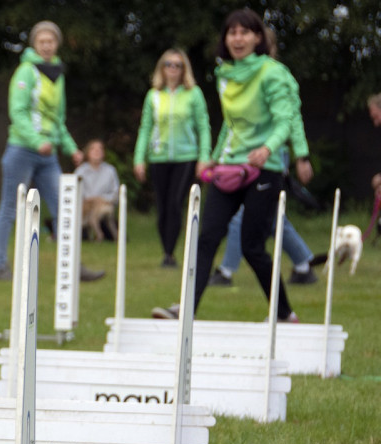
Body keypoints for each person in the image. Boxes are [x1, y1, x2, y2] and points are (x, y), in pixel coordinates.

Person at [153, 8, 299, 323]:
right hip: (230, 168)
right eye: (232, 32)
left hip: (265, 168)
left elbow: (285, 120)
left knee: (251, 246)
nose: (237, 38)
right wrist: (213, 156)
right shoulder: (224, 75)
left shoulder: (272, 72)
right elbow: (229, 125)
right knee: (206, 238)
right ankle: (185, 309)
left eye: (245, 32)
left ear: (258, 37)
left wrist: (267, 148)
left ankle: (284, 313)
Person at [0, 21, 104, 283]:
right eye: (42, 41)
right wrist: (35, 139)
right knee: (10, 208)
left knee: (64, 208)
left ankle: (74, 266)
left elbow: (57, 118)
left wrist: (73, 149)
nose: (47, 45)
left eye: (51, 41)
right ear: (34, 44)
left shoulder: (57, 74)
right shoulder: (25, 72)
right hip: (21, 150)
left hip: (48, 155)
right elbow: (17, 112)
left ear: (57, 44)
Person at [209, 30, 318, 287]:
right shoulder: (240, 78)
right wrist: (216, 156)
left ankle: (226, 270)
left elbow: (293, 119)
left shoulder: (278, 75)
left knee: (247, 217)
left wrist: (301, 156)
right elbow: (232, 123)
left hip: (269, 158)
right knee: (268, 220)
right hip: (239, 158)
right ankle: (304, 264)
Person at [133, 48, 211, 268]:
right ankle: (166, 249)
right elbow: (145, 128)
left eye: (177, 65)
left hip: (186, 156)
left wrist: (204, 157)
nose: (173, 69)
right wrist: (139, 158)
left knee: (175, 203)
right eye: (168, 64)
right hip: (158, 157)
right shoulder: (153, 95)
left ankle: (170, 254)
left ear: (184, 69)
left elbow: (203, 127)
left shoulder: (193, 93)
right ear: (162, 68)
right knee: (163, 206)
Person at [74, 138, 120, 241]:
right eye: (93, 149)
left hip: (104, 205)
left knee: (100, 212)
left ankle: (104, 235)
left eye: (100, 149)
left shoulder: (110, 171)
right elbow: (76, 193)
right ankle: (93, 233)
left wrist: (101, 199)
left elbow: (115, 193)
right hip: (86, 207)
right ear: (87, 153)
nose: (97, 151)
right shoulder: (80, 171)